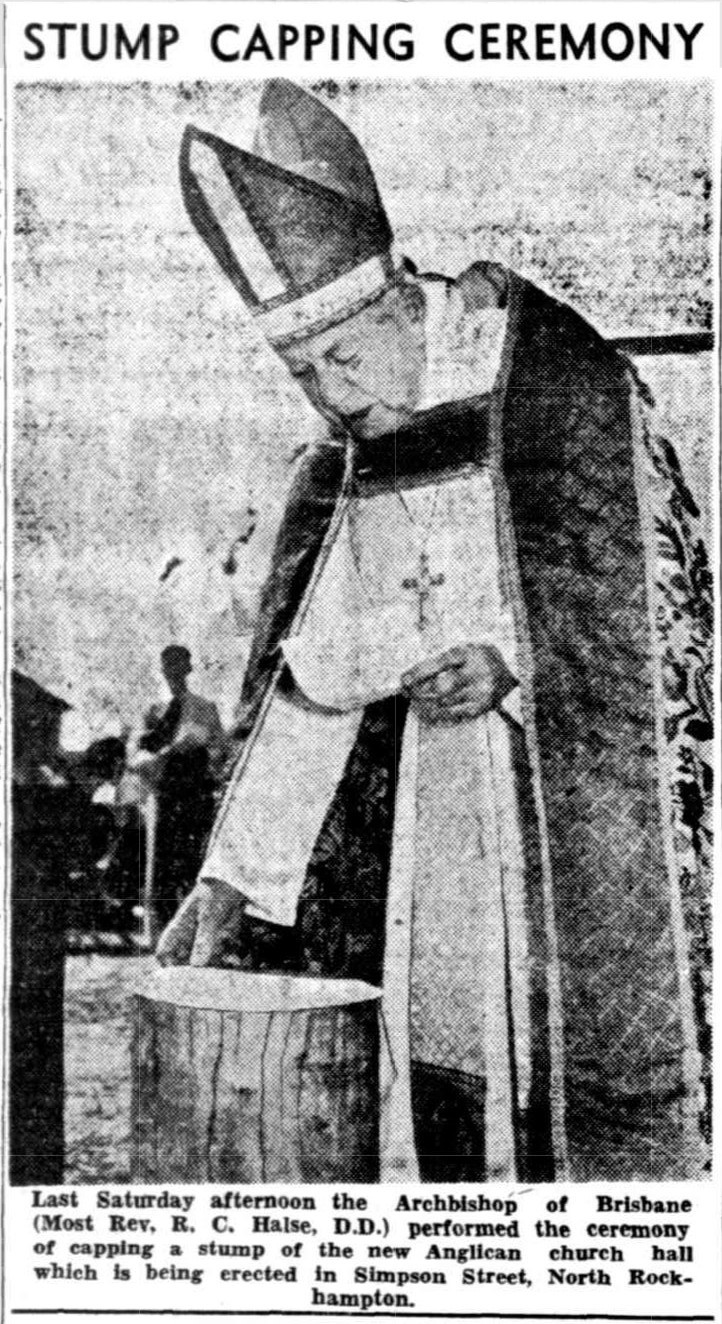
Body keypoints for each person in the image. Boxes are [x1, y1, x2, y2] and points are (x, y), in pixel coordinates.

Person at [158, 81, 711, 1182]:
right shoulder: (347, 455)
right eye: (303, 373)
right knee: (434, 1072)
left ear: (405, 301)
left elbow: (661, 609)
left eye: (347, 356)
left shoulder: (559, 384)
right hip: (421, 827)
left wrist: (517, 662)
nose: (331, 396)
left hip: (544, 811)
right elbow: (311, 687)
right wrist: (228, 878)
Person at [129, 645, 226, 931]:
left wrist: (201, 747)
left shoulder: (205, 709)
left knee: (193, 861)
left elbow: (220, 750)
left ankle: (193, 931)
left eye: (179, 664)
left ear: (189, 669)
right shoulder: (153, 711)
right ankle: (158, 931)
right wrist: (161, 754)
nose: (173, 671)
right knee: (160, 864)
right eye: (167, 665)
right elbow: (134, 754)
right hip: (164, 795)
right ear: (161, 669)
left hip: (196, 793)